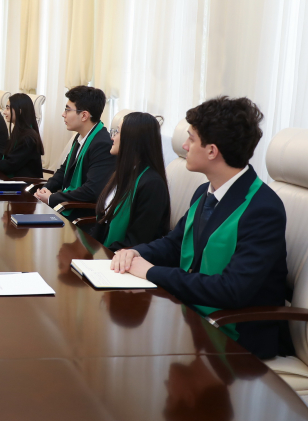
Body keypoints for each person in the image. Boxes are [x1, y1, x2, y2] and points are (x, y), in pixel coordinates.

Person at [111, 96, 290, 360]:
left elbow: (232, 289)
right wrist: (135, 253)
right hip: (193, 317)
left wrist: (151, 272)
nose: (184, 145)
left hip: (235, 340)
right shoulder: (205, 192)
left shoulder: (263, 209)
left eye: (191, 139)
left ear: (212, 151)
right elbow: (175, 244)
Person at [90, 112, 170, 250]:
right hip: (102, 251)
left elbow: (137, 241)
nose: (112, 137)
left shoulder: (152, 185)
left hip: (122, 257)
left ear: (132, 139)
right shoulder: (124, 173)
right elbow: (103, 223)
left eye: (117, 132)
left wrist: (100, 255)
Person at [35, 86, 116, 219]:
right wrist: (46, 188)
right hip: (68, 206)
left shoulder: (102, 144)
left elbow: (92, 190)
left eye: (67, 110)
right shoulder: (81, 136)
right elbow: (64, 171)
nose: (63, 114)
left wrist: (52, 198)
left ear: (84, 115)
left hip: (82, 217)